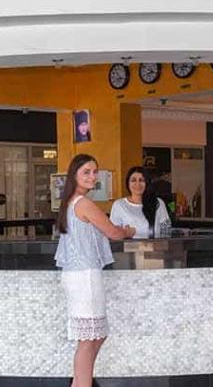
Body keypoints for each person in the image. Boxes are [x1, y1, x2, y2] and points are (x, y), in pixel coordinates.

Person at [54, 154, 135, 387]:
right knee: (88, 339)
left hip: (80, 275)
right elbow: (113, 232)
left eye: (95, 171)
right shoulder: (83, 203)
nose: (92, 176)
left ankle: (79, 383)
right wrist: (128, 231)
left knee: (96, 335)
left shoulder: (72, 202)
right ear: (74, 175)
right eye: (86, 172)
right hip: (84, 277)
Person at [110, 166, 171, 239]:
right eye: (133, 180)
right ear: (128, 183)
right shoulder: (119, 205)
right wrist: (125, 233)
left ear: (147, 183)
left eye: (141, 180)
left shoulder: (158, 203)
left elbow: (166, 231)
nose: (138, 184)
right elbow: (113, 235)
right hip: (129, 246)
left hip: (156, 246)